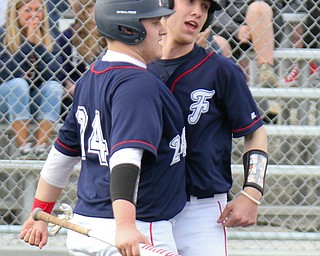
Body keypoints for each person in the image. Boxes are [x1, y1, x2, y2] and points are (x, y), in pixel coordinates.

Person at [19, 0, 187, 255]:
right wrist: (126, 225)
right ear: (128, 29)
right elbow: (125, 158)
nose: (164, 29)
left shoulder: (91, 77)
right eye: (154, 22)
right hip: (134, 226)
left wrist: (40, 212)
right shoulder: (138, 83)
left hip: (88, 225)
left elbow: (61, 156)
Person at [148, 0, 268, 255]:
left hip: (201, 210)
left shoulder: (221, 71)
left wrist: (252, 191)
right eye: (190, 2)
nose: (198, 12)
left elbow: (255, 133)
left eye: (204, 6)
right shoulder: (136, 69)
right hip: (145, 204)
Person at [0, 0, 64, 159]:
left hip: (35, 103)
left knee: (54, 87)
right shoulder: (3, 36)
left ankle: (40, 148)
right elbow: (9, 73)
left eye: (38, 10)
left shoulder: (50, 36)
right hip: (6, 102)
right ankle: (24, 148)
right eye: (28, 10)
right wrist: (28, 44)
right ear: (15, 13)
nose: (34, 15)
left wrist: (39, 46)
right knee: (18, 84)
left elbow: (56, 75)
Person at [210, 0, 283, 88]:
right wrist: (236, 29)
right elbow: (216, 10)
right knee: (219, 42)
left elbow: (275, 6)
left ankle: (266, 70)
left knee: (258, 7)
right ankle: (221, 84)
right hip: (230, 27)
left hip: (264, 24)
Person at [58, 0, 107, 120]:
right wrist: (72, 87)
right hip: (74, 92)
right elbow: (61, 71)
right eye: (92, 7)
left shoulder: (107, 37)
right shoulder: (68, 36)